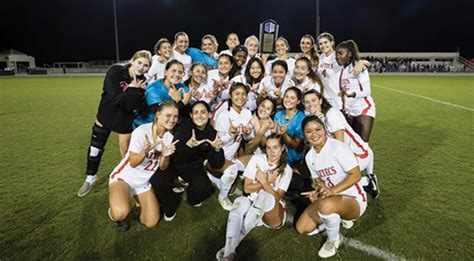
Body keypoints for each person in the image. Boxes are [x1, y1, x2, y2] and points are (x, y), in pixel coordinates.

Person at [77, 50, 152, 197]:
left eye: (146, 65)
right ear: (132, 60)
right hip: (106, 115)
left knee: (125, 155)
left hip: (124, 120)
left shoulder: (143, 81)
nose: (141, 67)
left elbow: (131, 107)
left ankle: (127, 179)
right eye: (139, 62)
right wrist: (133, 91)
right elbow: (113, 98)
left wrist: (134, 94)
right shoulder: (116, 71)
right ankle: (90, 178)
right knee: (95, 149)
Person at [295, 116, 367, 258]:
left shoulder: (337, 147)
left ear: (325, 130)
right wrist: (318, 191)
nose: (314, 134)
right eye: (308, 131)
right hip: (331, 198)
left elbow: (356, 175)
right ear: (304, 135)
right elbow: (318, 182)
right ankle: (334, 217)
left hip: (354, 199)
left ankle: (334, 239)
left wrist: (332, 191)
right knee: (301, 228)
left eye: (317, 129)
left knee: (325, 206)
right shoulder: (310, 157)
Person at [216, 134, 293, 260]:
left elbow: (277, 197)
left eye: (275, 147)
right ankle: (228, 254)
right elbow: (247, 188)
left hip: (273, 212)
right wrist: (263, 182)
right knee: (239, 201)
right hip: (253, 205)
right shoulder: (257, 160)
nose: (272, 152)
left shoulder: (287, 170)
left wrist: (264, 182)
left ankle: (234, 244)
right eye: (268, 148)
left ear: (283, 148)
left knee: (263, 196)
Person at [108, 102, 179, 231]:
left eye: (175, 116)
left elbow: (163, 167)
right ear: (158, 114)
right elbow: (133, 162)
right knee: (121, 212)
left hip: (143, 183)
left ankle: (133, 198)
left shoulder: (169, 137)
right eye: (168, 115)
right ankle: (115, 214)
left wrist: (165, 155)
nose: (172, 120)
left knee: (150, 222)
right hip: (124, 178)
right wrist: (145, 151)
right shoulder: (142, 131)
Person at [150, 101, 225, 220]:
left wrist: (217, 150)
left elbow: (217, 164)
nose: (199, 116)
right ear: (191, 115)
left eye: (203, 112)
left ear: (210, 114)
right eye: (195, 112)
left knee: (203, 186)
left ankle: (191, 197)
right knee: (157, 180)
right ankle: (171, 204)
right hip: (174, 164)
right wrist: (187, 146)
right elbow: (175, 154)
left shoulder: (212, 134)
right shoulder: (184, 125)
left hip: (192, 167)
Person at [303, 90, 378, 198]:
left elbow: (339, 143)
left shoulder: (331, 114)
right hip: (347, 154)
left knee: (334, 178)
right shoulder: (312, 117)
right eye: (307, 102)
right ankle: (367, 181)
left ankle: (366, 181)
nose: (310, 104)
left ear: (320, 100)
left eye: (313, 100)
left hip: (357, 154)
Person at [211, 83, 254, 210]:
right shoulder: (224, 115)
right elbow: (217, 145)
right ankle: (222, 196)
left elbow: (247, 139)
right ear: (230, 96)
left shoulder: (247, 113)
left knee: (257, 160)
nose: (240, 97)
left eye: (243, 94)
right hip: (216, 157)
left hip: (231, 158)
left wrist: (248, 132)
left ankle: (218, 178)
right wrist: (229, 135)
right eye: (237, 94)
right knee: (232, 171)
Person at [336, 40, 376, 142]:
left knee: (362, 145)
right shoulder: (341, 70)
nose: (337, 56)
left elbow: (367, 91)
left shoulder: (358, 67)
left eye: (340, 53)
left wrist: (352, 94)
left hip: (363, 108)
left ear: (349, 54)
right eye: (336, 54)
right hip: (349, 110)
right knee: (350, 144)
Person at [317, 32, 367, 110]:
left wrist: (362, 62)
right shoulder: (321, 57)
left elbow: (354, 62)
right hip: (324, 98)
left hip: (337, 98)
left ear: (332, 42)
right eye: (320, 44)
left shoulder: (338, 56)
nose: (323, 45)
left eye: (325, 42)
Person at [133, 60, 190, 128]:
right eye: (173, 71)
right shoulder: (153, 88)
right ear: (165, 72)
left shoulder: (184, 89)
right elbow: (159, 113)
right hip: (147, 124)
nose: (177, 74)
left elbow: (188, 112)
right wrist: (182, 102)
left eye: (180, 72)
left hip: (170, 125)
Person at [273, 87, 306, 167]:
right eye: (286, 97)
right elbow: (275, 137)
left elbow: (295, 145)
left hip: (293, 157)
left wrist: (284, 134)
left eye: (292, 98)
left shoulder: (301, 117)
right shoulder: (278, 115)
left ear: (298, 101)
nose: (288, 100)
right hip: (277, 152)